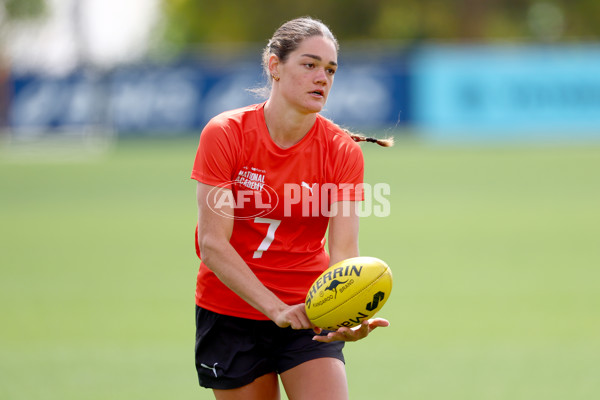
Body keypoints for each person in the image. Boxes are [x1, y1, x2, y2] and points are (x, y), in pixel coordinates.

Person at [191, 16, 393, 400]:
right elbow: (213, 244)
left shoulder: (342, 151)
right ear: (274, 66)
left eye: (330, 70)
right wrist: (275, 308)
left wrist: (346, 314)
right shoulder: (225, 134)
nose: (323, 78)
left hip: (309, 311)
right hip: (231, 313)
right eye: (310, 64)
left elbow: (344, 253)